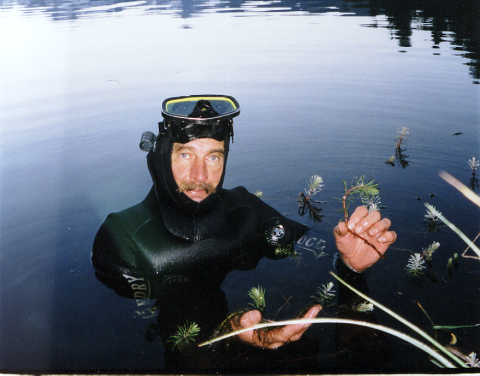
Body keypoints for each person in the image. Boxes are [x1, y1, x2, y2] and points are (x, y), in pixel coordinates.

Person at [92, 94, 396, 361]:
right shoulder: (124, 239)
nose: (200, 174)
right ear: (160, 157)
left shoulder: (246, 214)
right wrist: (231, 332)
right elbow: (130, 338)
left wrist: (348, 267)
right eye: (185, 154)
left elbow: (308, 250)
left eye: (213, 156)